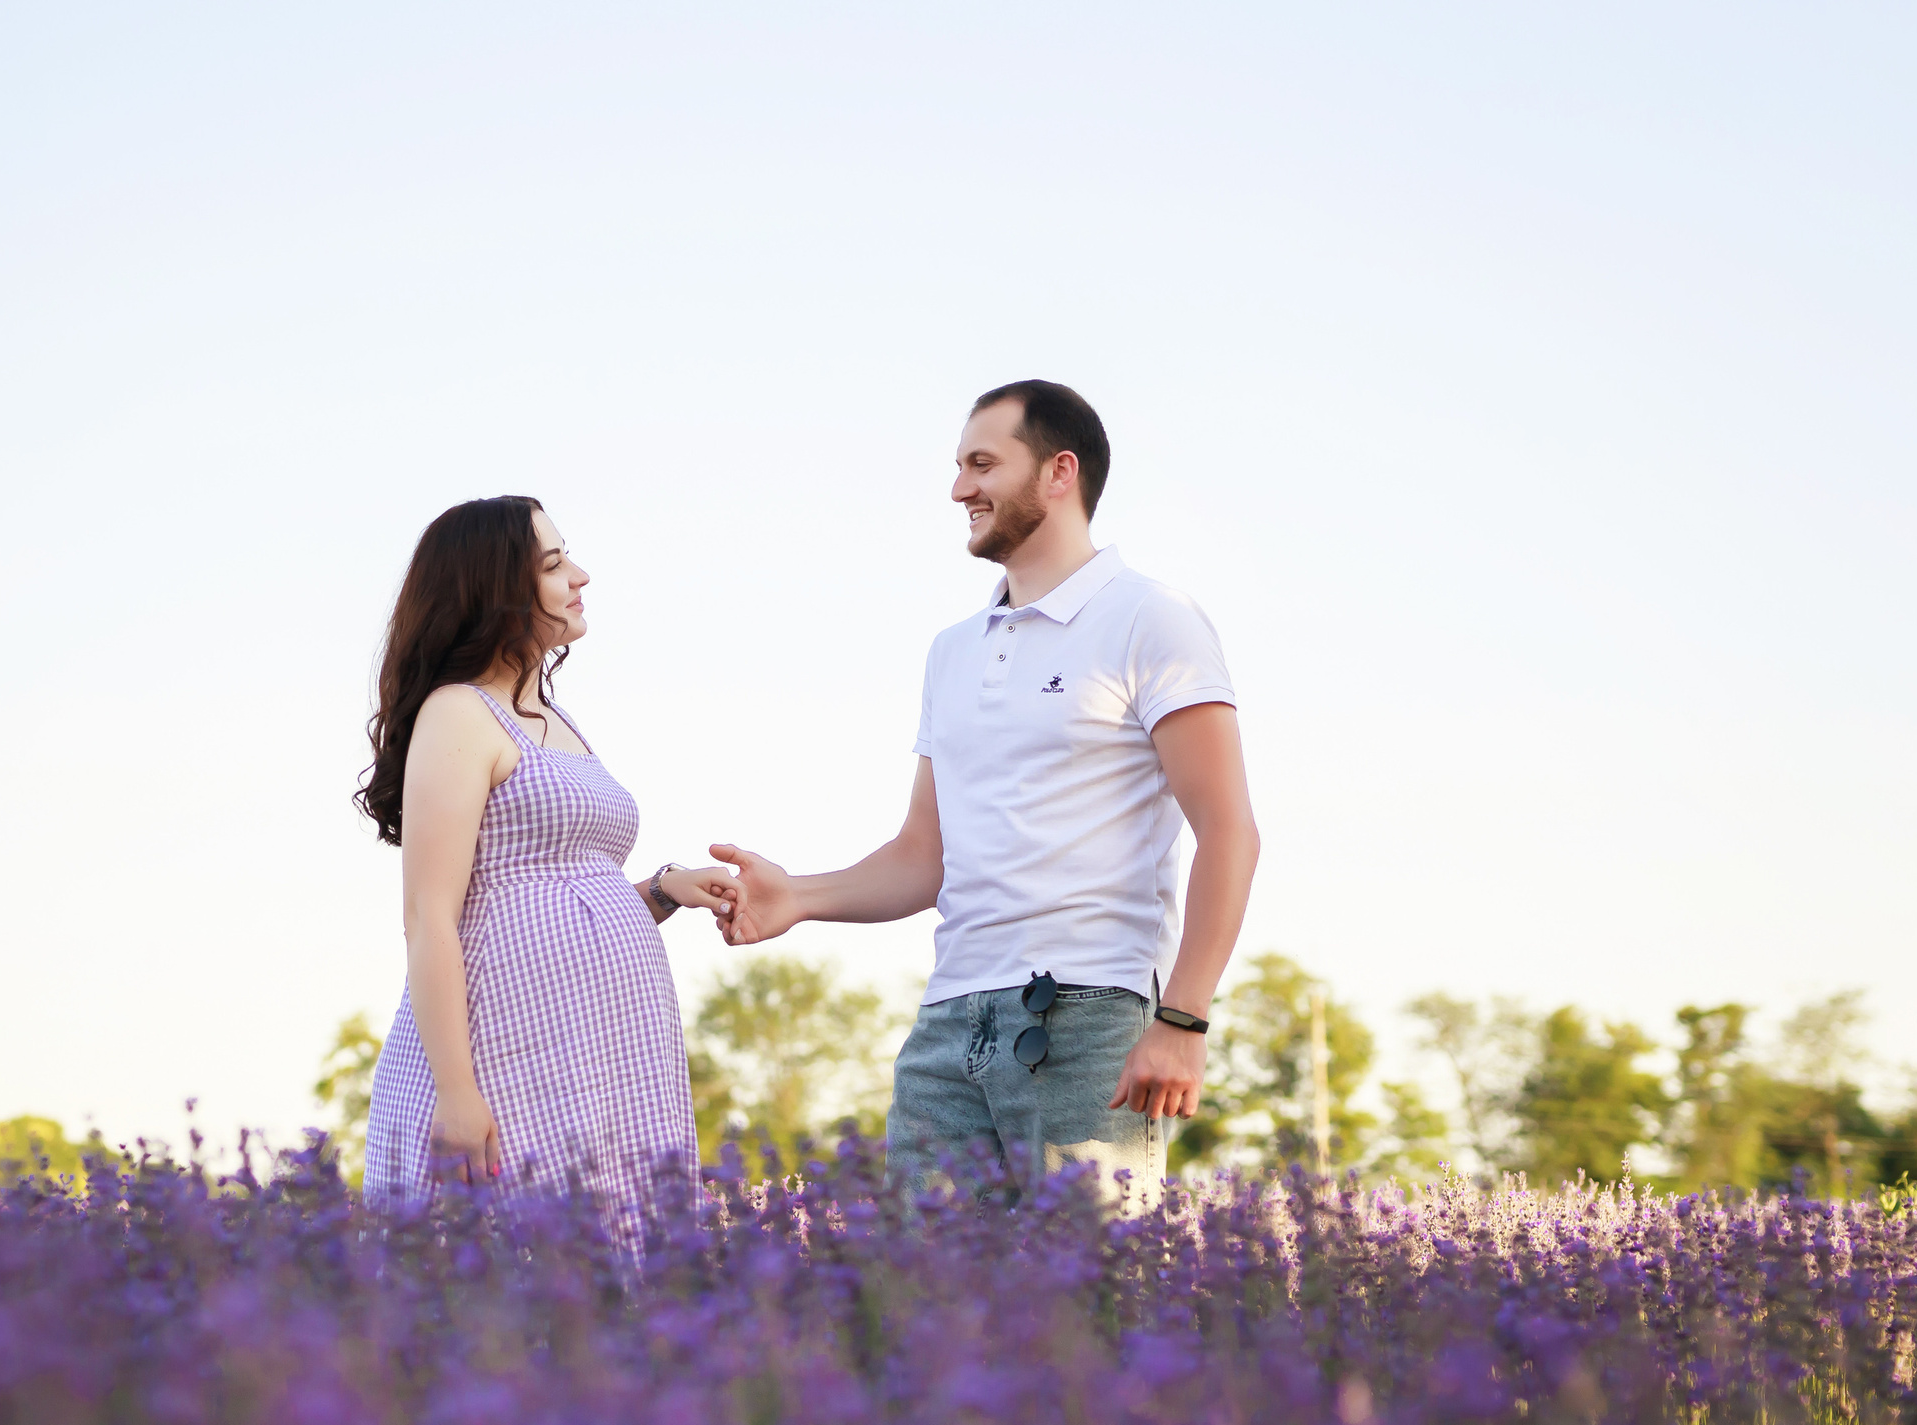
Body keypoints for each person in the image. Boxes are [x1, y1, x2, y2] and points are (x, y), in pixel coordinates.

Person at [712, 382, 1259, 1207]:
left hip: (1086, 1016)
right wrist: (800, 897)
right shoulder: (952, 651)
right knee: (931, 1316)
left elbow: (1229, 831)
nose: (960, 488)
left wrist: (1182, 1018)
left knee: (1093, 1320)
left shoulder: (1153, 618)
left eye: (982, 463)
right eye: (958, 467)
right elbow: (921, 857)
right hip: (947, 1025)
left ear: (1058, 472)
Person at [354, 495, 733, 1254]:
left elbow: (553, 893)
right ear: (492, 586)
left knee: (614, 1273)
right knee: (511, 1274)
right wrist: (458, 1095)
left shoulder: (551, 717)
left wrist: (661, 892)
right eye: (554, 564)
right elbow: (431, 917)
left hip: (603, 1058)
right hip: (505, 1051)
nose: (580, 576)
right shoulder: (459, 714)